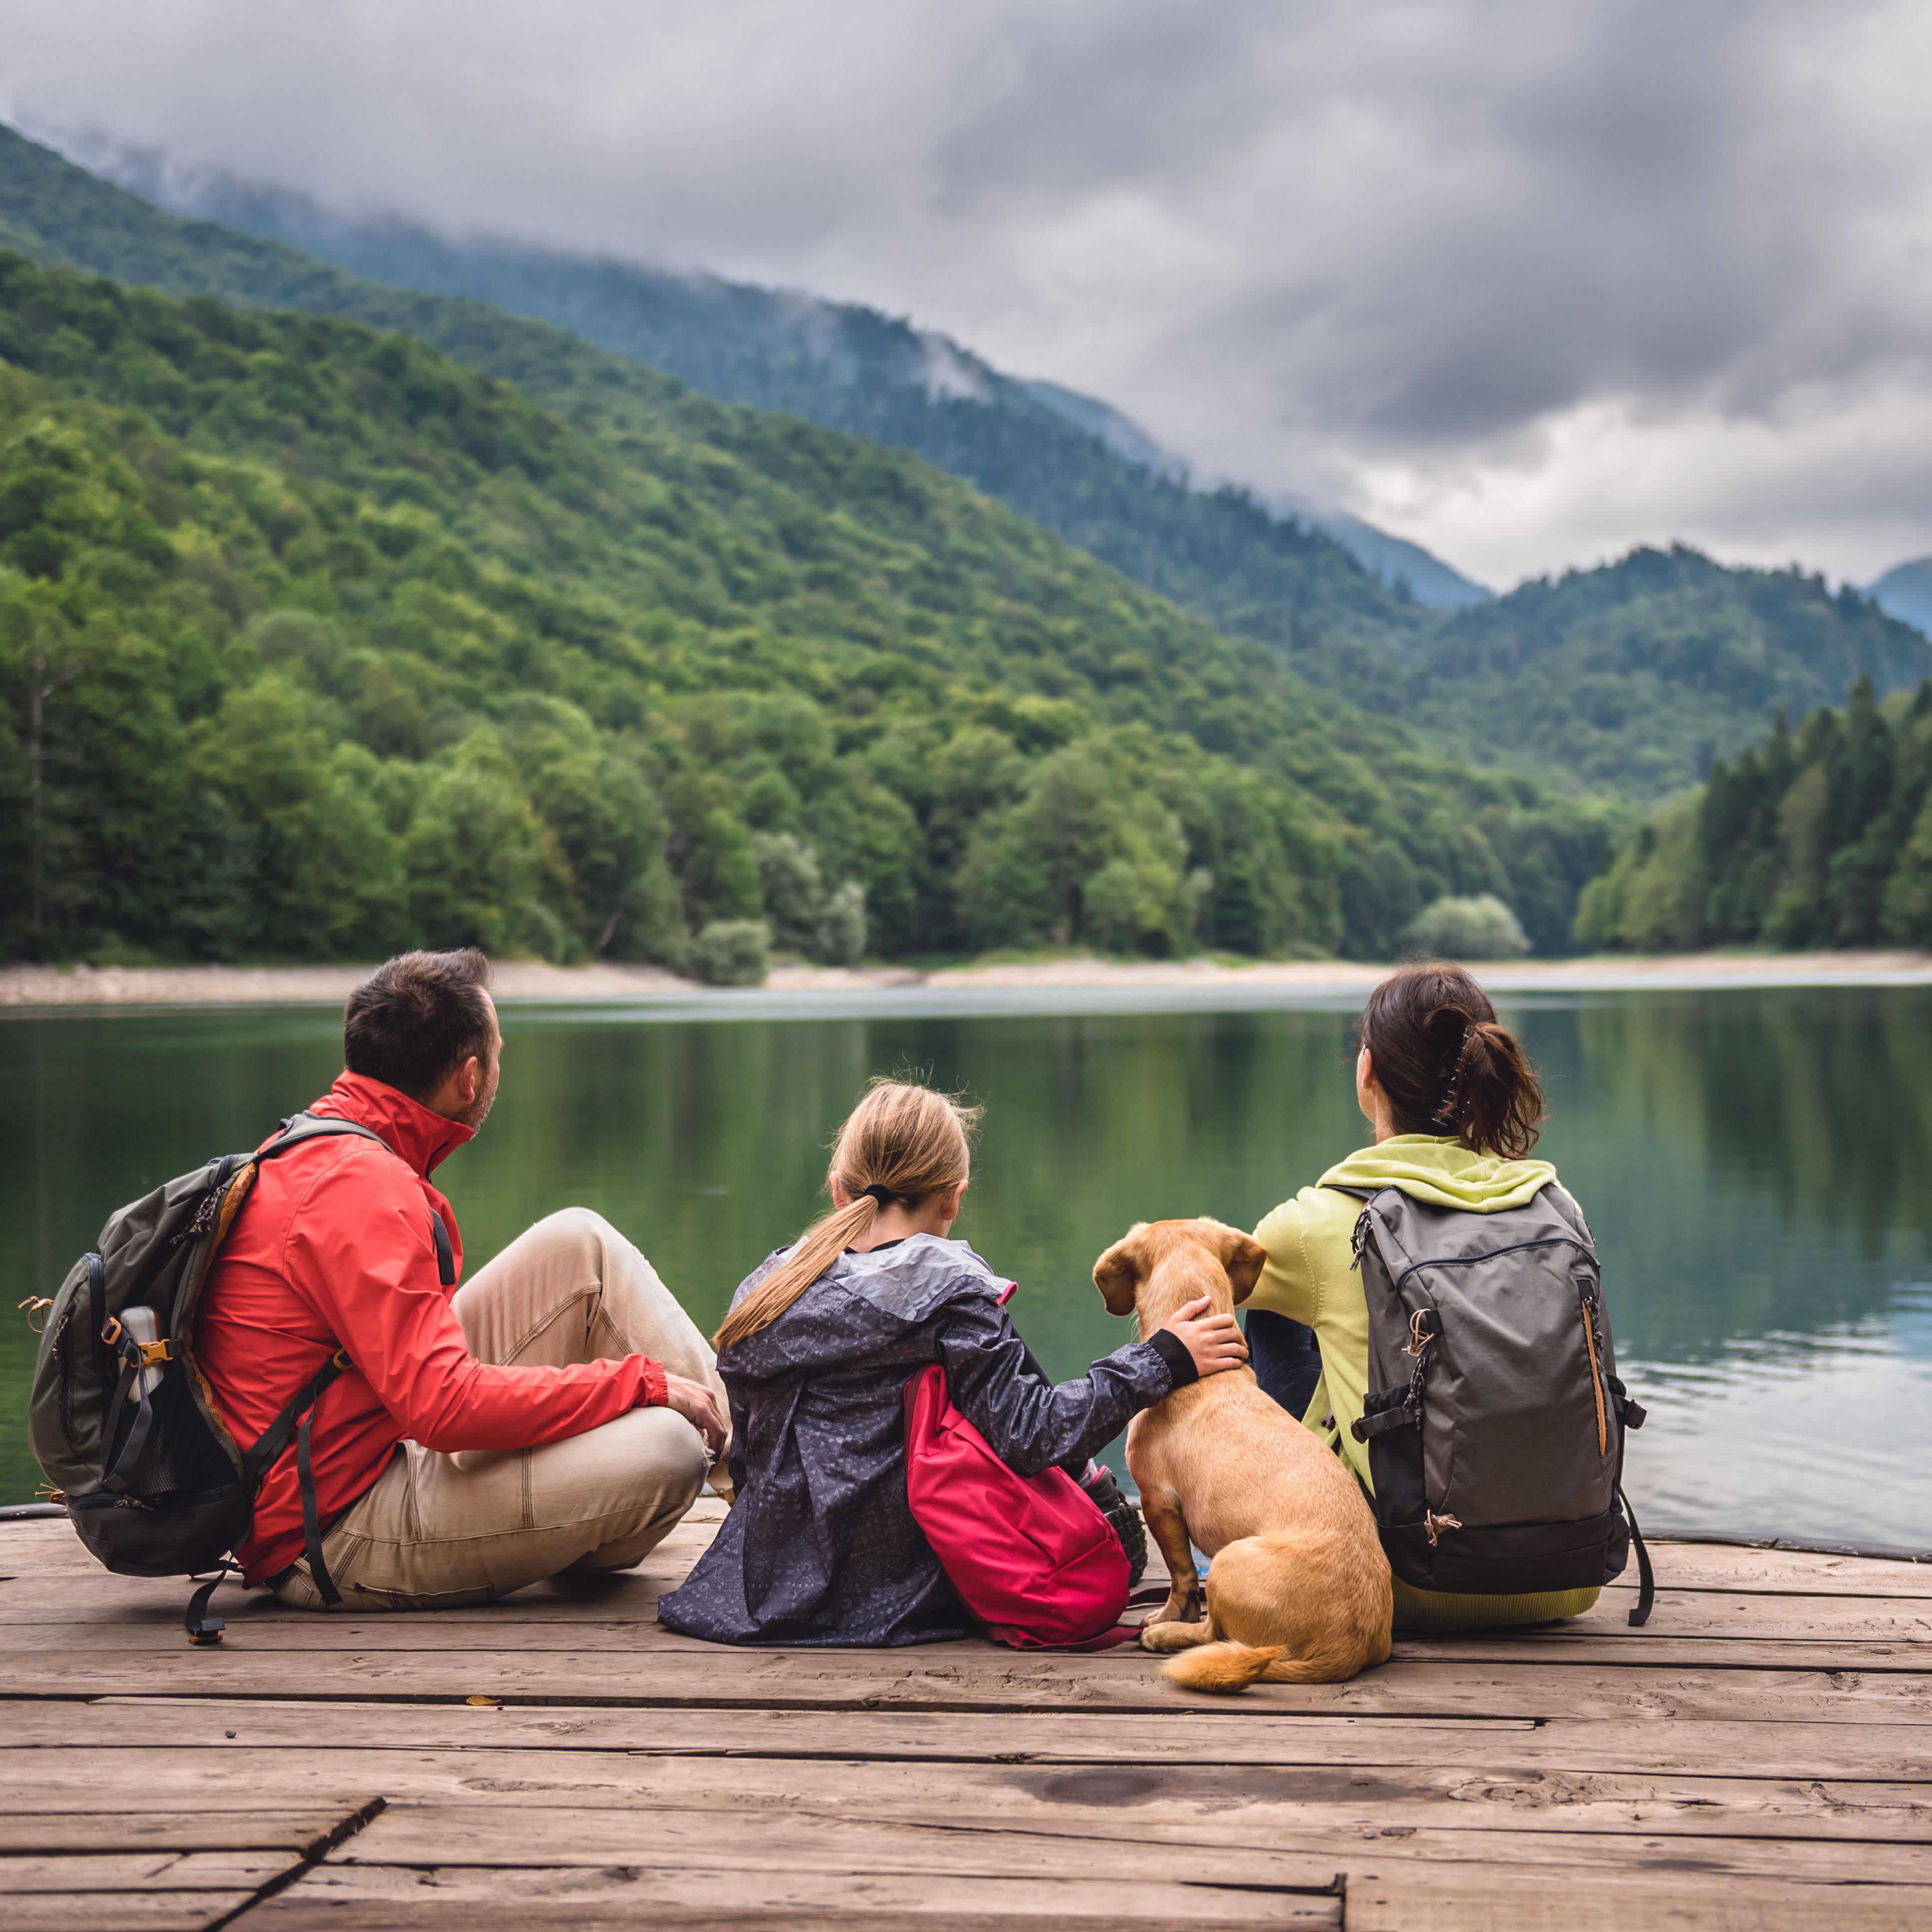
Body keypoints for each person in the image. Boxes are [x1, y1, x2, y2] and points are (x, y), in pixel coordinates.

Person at [195, 948, 729, 1611]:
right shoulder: (366, 1190)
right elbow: (444, 1410)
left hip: (367, 1435)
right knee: (670, 1448)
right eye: (501, 1053)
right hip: (333, 1531)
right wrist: (638, 1383)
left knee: (579, 1242)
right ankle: (778, 1500)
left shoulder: (323, 1144)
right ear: (470, 1077)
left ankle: (768, 1488)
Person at [658, 1080, 1249, 1647]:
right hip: (901, 1590)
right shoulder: (950, 1293)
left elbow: (751, 1450)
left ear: (838, 1188)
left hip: (760, 1585)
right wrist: (1160, 1359)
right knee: (1108, 1522)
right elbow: (1032, 1432)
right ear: (953, 1196)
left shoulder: (765, 1290)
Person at [1244, 960, 1602, 1631]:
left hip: (1392, 1581)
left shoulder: (1315, 1223)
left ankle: (1268, 1541)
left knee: (1267, 1306)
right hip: (1569, 1578)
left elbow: (1196, 1298)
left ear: (1366, 1073)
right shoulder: (1557, 1206)